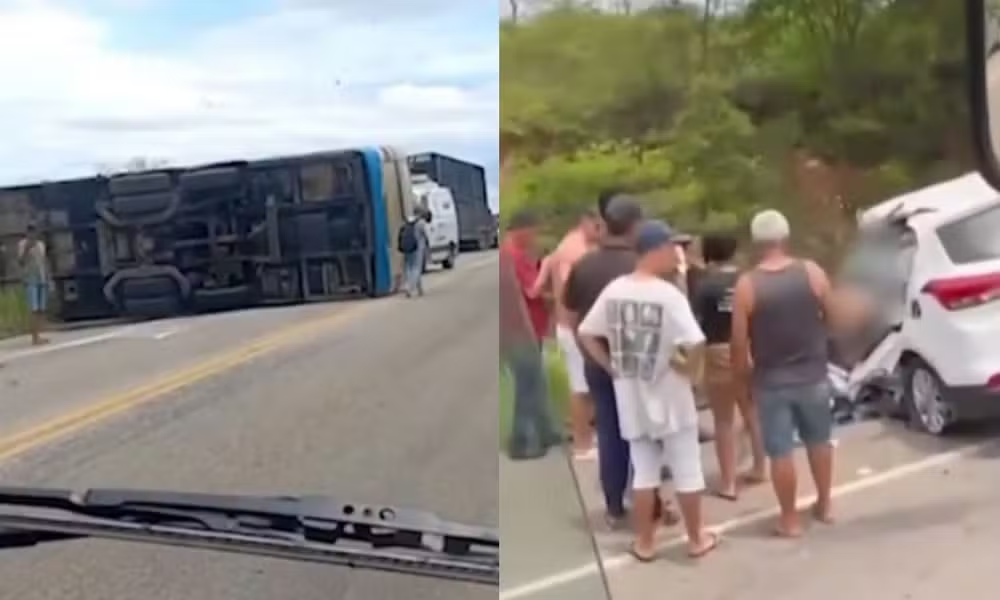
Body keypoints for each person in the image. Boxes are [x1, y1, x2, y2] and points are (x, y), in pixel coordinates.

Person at [577, 220, 720, 561]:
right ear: (656, 249)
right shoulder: (668, 296)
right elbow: (695, 342)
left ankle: (645, 542)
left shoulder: (615, 291)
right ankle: (696, 538)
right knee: (687, 469)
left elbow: (586, 332)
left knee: (644, 472)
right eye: (672, 247)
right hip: (670, 397)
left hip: (631, 396)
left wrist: (612, 367)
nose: (676, 254)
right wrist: (688, 372)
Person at [563, 195, 675, 530]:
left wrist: (590, 351)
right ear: (635, 225)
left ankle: (614, 507)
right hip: (640, 364)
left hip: (598, 362)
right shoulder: (639, 267)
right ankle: (652, 505)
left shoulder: (584, 266)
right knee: (646, 436)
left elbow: (571, 317)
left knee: (610, 432)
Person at [730, 209, 836, 538]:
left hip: (771, 380)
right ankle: (824, 504)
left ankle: (789, 520)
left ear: (756, 242)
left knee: (780, 452)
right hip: (813, 373)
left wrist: (742, 379)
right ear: (785, 237)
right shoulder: (812, 272)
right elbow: (832, 314)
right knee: (819, 441)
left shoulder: (747, 286)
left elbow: (738, 342)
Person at [693, 231, 767, 500]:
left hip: (718, 351)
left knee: (723, 420)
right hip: (750, 348)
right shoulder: (749, 280)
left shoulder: (705, 286)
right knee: (752, 411)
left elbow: (694, 323)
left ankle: (729, 482)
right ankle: (760, 467)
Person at [529, 209, 602, 460]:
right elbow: (574, 292)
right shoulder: (576, 252)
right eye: (597, 226)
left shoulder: (558, 251)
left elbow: (536, 288)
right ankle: (582, 444)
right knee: (581, 386)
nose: (601, 232)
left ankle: (586, 435)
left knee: (585, 384)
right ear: (585, 222)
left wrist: (552, 301)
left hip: (567, 325)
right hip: (575, 327)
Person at [500, 209, 559, 460]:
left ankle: (545, 430)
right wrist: (554, 294)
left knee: (538, 381)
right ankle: (521, 441)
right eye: (533, 232)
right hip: (520, 330)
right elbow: (532, 291)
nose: (535, 237)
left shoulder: (514, 255)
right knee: (527, 383)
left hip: (527, 328)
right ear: (521, 230)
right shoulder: (512, 256)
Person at [17, 223, 50, 346]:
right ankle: (34, 337)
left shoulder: (41, 245)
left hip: (41, 278)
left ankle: (39, 334)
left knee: (41, 308)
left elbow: (44, 262)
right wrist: (27, 248)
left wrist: (48, 278)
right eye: (31, 232)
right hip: (30, 279)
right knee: (34, 309)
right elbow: (20, 261)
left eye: (35, 232)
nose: (33, 234)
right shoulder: (23, 244)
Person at [397, 209, 429, 297]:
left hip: (407, 247)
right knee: (416, 269)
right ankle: (409, 288)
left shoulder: (408, 221)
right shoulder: (421, 222)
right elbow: (425, 234)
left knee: (409, 268)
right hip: (417, 248)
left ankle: (419, 288)